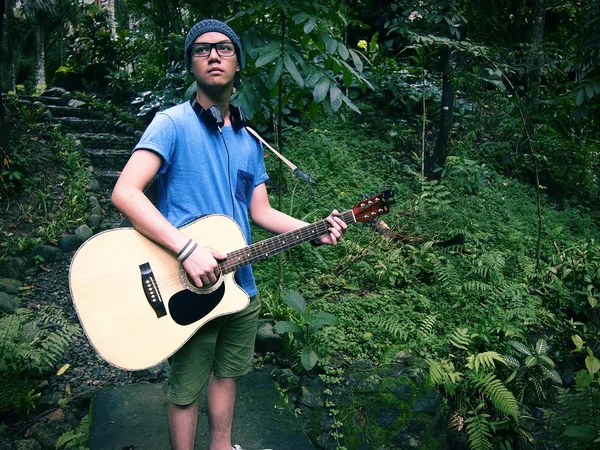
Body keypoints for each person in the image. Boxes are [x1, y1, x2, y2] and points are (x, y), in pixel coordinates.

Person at [111, 18, 347, 450]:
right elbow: (125, 192)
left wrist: (313, 231)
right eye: (202, 50)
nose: (214, 55)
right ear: (191, 65)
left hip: (239, 284)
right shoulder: (171, 123)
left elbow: (261, 211)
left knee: (228, 374)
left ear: (238, 63)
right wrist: (186, 249)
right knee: (186, 388)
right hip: (187, 281)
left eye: (224, 48)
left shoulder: (248, 139)